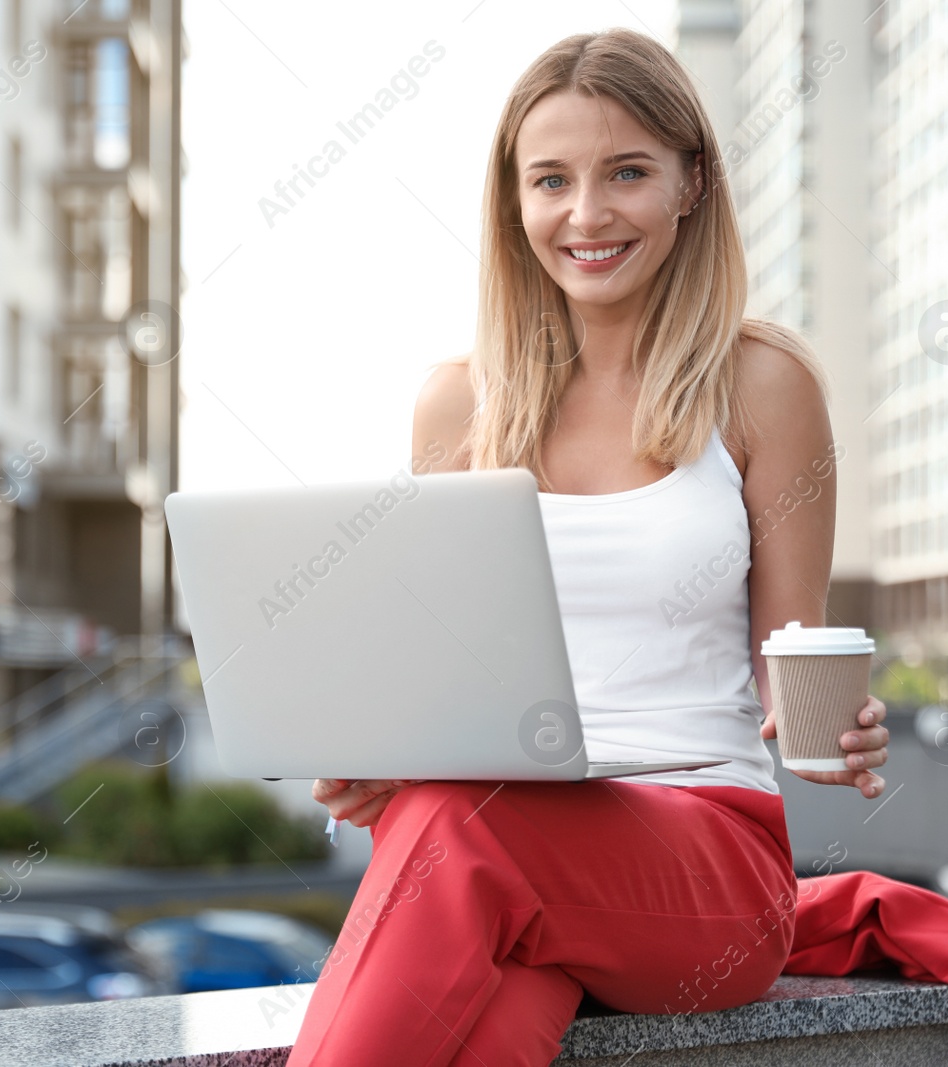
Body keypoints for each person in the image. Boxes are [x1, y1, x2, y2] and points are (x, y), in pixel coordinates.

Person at [284, 27, 889, 1067]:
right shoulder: (457, 405)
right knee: (490, 1005)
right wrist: (377, 755)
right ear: (512, 204)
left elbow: (791, 664)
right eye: (550, 180)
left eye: (626, 173)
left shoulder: (763, 385)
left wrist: (842, 725)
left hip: (706, 854)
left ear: (690, 183)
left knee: (456, 826)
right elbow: (450, 681)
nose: (585, 213)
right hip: (497, 846)